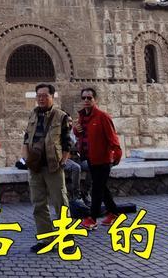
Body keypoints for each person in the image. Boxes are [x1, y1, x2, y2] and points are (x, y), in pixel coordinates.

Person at [22, 83, 72, 251]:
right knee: (38, 204)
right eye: (39, 96)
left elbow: (67, 142)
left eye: (45, 95)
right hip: (35, 167)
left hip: (53, 166)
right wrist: (26, 159)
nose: (41, 99)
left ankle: (66, 240)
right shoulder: (33, 114)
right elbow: (26, 138)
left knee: (60, 203)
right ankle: (46, 240)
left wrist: (63, 161)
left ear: (52, 97)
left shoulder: (61, 116)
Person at [74, 87, 122, 230]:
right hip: (90, 158)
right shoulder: (82, 117)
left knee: (96, 189)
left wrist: (117, 153)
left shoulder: (103, 116)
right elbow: (80, 134)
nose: (86, 100)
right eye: (84, 98)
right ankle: (114, 212)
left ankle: (92, 218)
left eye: (89, 98)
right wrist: (76, 130)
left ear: (95, 99)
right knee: (101, 187)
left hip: (103, 159)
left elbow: (112, 137)